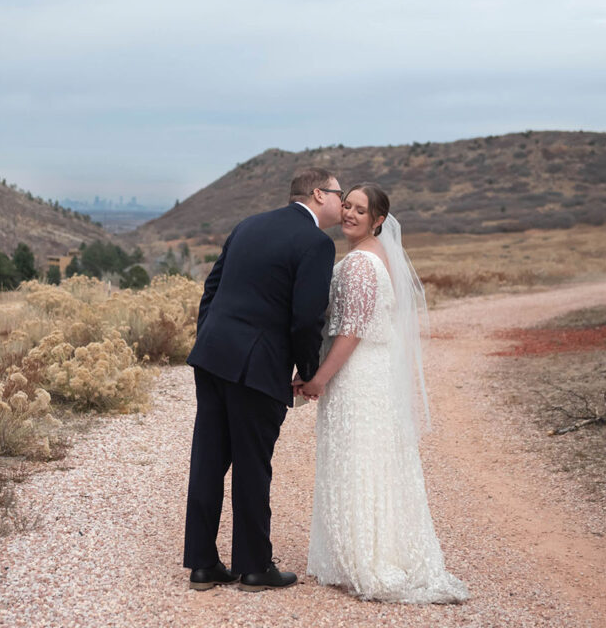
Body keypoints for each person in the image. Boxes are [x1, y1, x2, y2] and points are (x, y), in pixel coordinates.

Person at [298, 183, 468, 603]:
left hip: (357, 376)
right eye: (348, 206)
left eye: (361, 210)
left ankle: (364, 559)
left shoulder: (358, 264)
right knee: (374, 461)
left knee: (357, 459)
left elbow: (351, 330)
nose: (351, 214)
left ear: (378, 220)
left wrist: (319, 378)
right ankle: (374, 549)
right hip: (376, 374)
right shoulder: (381, 257)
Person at [183, 167, 341, 592]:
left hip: (213, 357)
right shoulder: (315, 243)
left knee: (209, 460)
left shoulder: (248, 225)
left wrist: (211, 341)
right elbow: (307, 317)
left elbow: (210, 290)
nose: (343, 203)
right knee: (253, 466)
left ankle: (202, 565)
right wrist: (308, 372)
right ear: (317, 194)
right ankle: (254, 567)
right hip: (257, 368)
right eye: (339, 194)